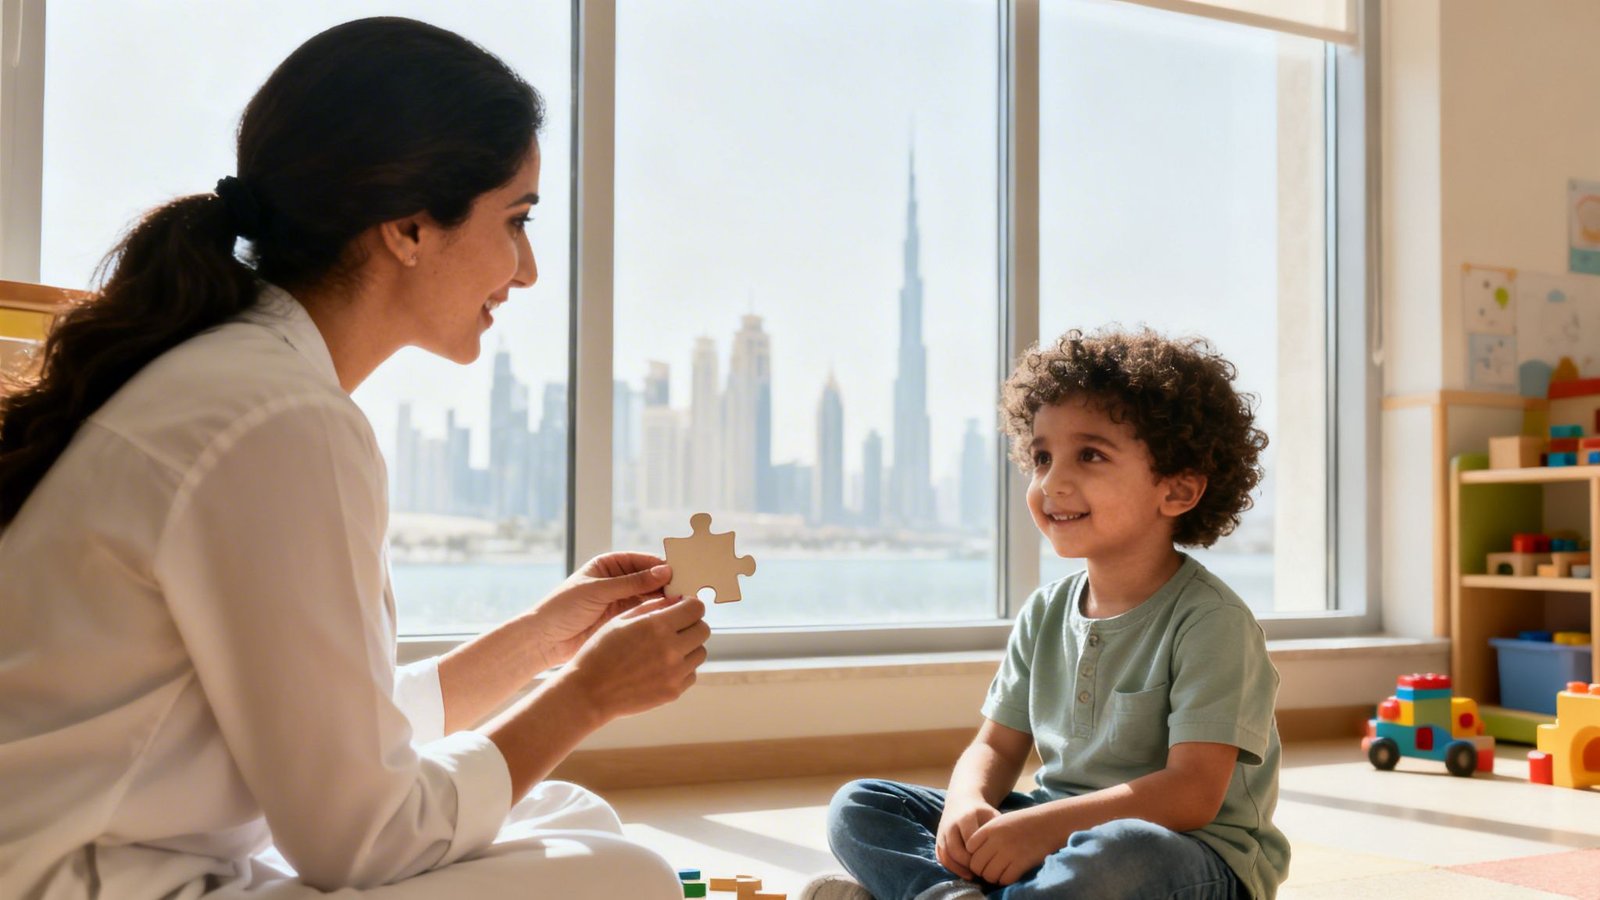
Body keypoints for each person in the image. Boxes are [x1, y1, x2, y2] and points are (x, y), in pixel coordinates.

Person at [0, 17, 705, 900]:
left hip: (98, 852)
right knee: (627, 877)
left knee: (570, 814)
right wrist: (588, 696)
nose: (526, 270)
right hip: (78, 883)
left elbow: (325, 736)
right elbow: (362, 838)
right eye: (516, 221)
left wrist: (540, 643)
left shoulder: (239, 377)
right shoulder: (279, 420)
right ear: (408, 228)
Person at [802, 327, 1289, 900]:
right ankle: (952, 895)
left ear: (1177, 492)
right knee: (861, 804)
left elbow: (1192, 794)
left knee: (1118, 851)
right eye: (1041, 457)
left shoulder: (1212, 622)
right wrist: (967, 804)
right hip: (1051, 836)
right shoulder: (1045, 611)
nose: (1052, 481)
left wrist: (1041, 829)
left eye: (1090, 455)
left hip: (1189, 855)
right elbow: (995, 747)